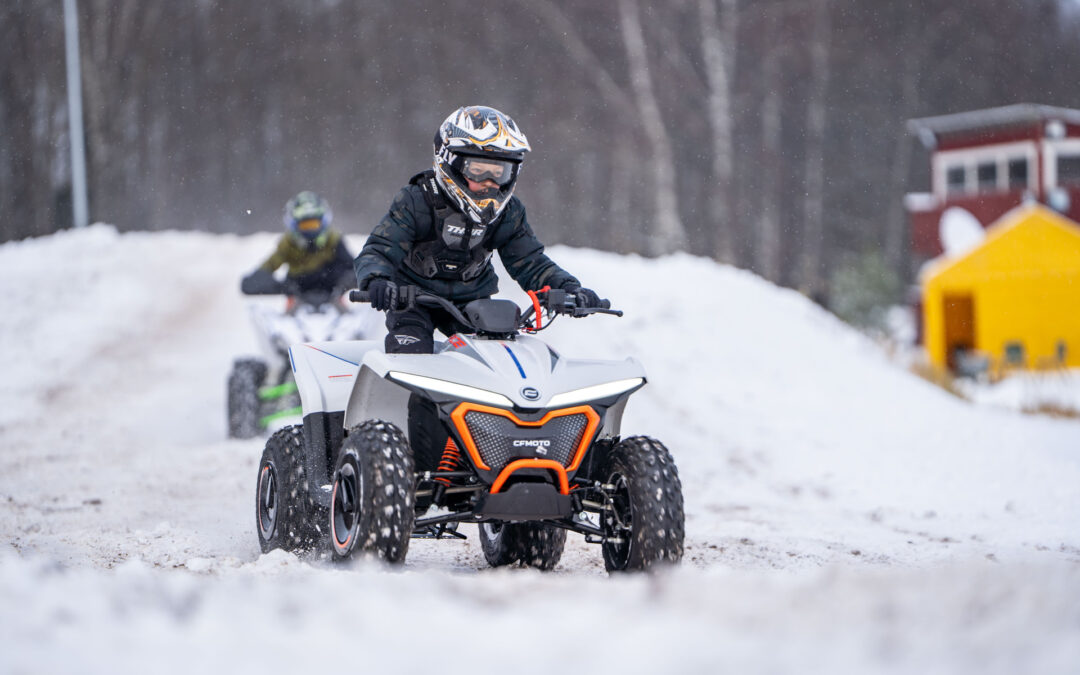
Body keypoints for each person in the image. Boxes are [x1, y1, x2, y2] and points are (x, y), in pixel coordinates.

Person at [353, 105, 602, 472]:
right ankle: (422, 471)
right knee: (419, 370)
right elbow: (377, 249)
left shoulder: (509, 213)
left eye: (498, 172)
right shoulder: (416, 200)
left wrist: (567, 289)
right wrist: (377, 282)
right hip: (413, 299)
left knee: (499, 370)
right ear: (449, 162)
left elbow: (530, 262)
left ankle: (495, 461)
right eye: (478, 170)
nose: (490, 183)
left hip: (473, 302)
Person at [241, 191, 355, 301]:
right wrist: (280, 286)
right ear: (295, 225)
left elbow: (354, 269)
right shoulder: (288, 243)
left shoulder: (333, 239)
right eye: (305, 225)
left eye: (313, 224)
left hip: (332, 297)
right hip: (297, 296)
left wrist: (345, 282)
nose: (310, 230)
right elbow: (267, 268)